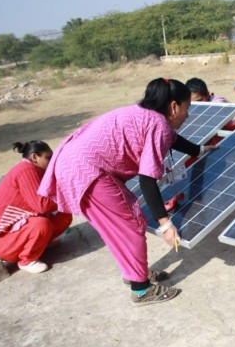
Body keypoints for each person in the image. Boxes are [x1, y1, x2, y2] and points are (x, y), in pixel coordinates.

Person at [38, 78, 215, 306]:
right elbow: (147, 179)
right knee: (130, 224)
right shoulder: (157, 124)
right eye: (186, 108)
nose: (187, 115)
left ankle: (135, 273)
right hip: (89, 172)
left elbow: (172, 139)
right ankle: (141, 290)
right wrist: (166, 224)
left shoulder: (145, 114)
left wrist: (199, 150)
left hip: (73, 164)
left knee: (116, 228)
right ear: (173, 106)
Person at [0, 141, 73, 274]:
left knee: (64, 215)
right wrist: (68, 197)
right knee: (41, 224)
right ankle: (27, 260)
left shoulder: (37, 169)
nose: (52, 161)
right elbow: (41, 205)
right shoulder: (25, 169)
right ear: (34, 157)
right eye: (48, 157)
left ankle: (40, 244)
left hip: (13, 233)